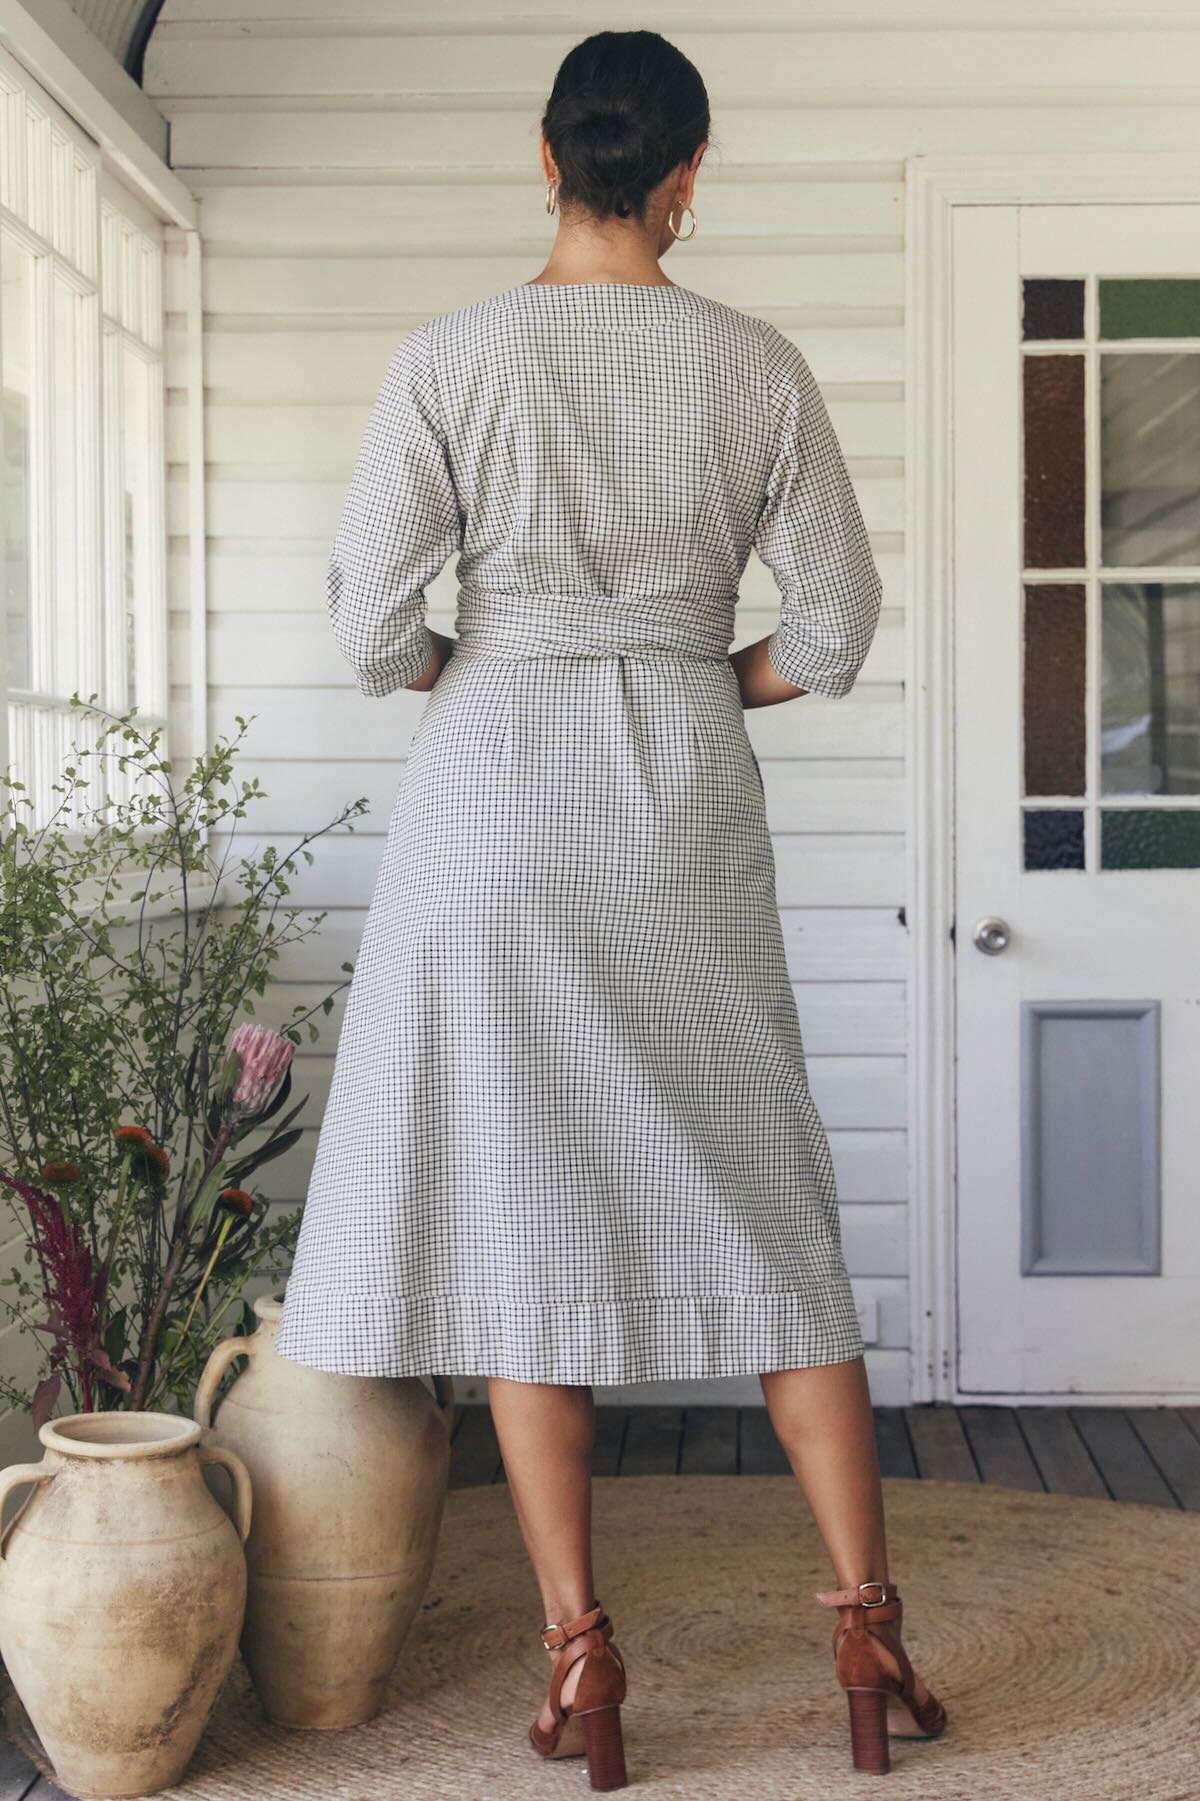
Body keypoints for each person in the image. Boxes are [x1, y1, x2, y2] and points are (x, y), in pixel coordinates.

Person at [273, 26, 947, 1790]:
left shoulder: (449, 359)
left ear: (545, 155)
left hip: (490, 809)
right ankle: (867, 1624)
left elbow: (368, 626)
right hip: (679, 807)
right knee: (769, 1199)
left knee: (524, 1217)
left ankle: (584, 1654)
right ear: (687, 176)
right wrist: (700, 676)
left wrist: (482, 661)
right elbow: (834, 632)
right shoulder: (757, 368)